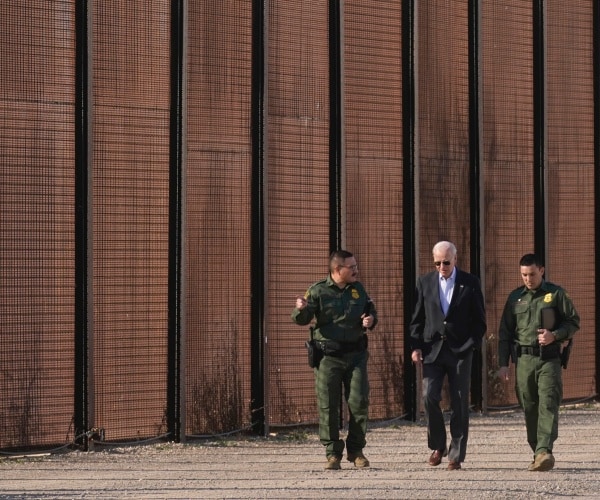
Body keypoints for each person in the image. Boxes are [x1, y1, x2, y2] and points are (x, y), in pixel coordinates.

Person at [291, 250, 377, 470]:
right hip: (328, 357)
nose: (356, 270)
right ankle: (333, 453)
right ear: (338, 270)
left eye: (356, 265)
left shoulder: (358, 289)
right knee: (328, 405)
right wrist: (300, 309)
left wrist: (370, 320)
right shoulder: (318, 290)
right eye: (352, 267)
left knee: (359, 402)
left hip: (356, 356)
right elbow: (302, 319)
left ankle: (356, 451)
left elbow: (370, 310)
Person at [498, 253, 580, 472]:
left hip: (549, 359)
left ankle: (544, 450)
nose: (528, 278)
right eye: (524, 274)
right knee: (529, 405)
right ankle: (537, 451)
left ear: (541, 271)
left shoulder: (555, 294)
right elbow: (505, 332)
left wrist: (556, 335)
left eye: (532, 274)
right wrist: (503, 363)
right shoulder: (515, 298)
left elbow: (573, 322)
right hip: (524, 360)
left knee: (548, 402)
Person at [409, 241, 486, 470]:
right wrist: (415, 346)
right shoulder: (424, 282)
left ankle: (456, 454)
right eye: (437, 262)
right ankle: (438, 445)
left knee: (460, 401)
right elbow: (416, 318)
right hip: (432, 349)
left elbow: (479, 320)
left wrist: (471, 344)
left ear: (455, 259)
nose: (441, 266)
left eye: (446, 262)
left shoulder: (470, 283)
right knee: (429, 395)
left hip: (460, 351)